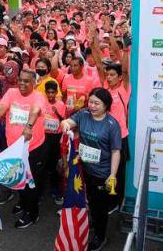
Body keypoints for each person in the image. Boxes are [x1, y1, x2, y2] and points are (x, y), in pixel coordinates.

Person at [61, 88, 121, 251]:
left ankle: (100, 236)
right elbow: (68, 122)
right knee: (91, 201)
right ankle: (94, 222)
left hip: (102, 174)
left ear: (106, 105)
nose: (92, 106)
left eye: (97, 103)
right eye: (91, 102)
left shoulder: (112, 125)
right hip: (84, 169)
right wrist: (65, 125)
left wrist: (112, 175)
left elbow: (116, 151)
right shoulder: (83, 114)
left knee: (100, 206)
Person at [0, 69, 46, 228]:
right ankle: (23, 202)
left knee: (29, 182)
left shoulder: (38, 96)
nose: (22, 83)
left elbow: (35, 110)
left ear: (34, 83)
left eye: (27, 81)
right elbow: (0, 108)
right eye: (20, 80)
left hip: (32, 149)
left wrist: (29, 126)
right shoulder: (12, 92)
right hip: (13, 147)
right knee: (17, 178)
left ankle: (32, 213)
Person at [41, 80, 66, 205]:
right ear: (45, 92)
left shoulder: (61, 104)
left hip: (56, 137)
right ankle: (41, 191)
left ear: (56, 92)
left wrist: (56, 112)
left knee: (55, 165)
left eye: (53, 92)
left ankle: (56, 190)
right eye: (48, 92)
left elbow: (64, 121)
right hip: (44, 137)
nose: (51, 95)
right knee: (43, 164)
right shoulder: (42, 102)